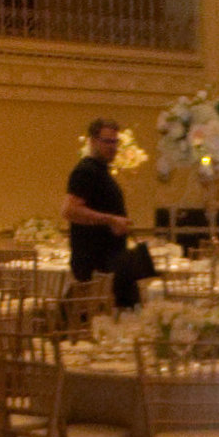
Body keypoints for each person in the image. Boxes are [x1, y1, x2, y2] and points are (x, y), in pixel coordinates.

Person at [62, 119, 150, 311]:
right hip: (97, 264)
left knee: (129, 312)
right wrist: (111, 220)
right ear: (93, 141)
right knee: (121, 316)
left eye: (115, 142)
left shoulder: (102, 172)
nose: (113, 147)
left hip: (111, 261)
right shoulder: (85, 171)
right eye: (107, 141)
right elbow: (69, 210)